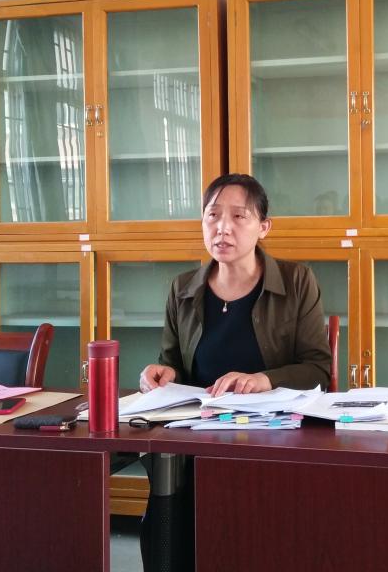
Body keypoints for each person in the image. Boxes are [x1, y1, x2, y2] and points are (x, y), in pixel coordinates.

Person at [137, 173, 331, 571]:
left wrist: (263, 380)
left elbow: (317, 368)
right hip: (196, 438)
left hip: (273, 439)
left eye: (239, 216)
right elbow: (173, 364)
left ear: (264, 227)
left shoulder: (296, 281)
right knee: (168, 529)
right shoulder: (183, 289)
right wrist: (161, 374)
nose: (222, 227)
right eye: (212, 215)